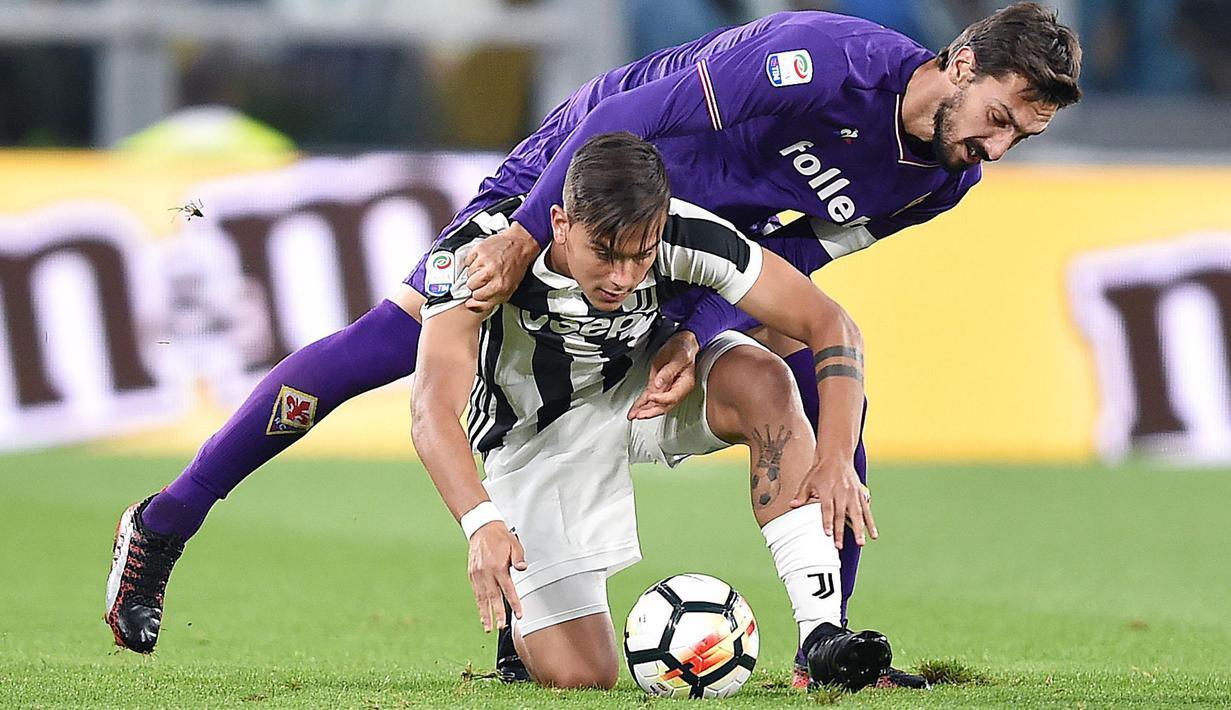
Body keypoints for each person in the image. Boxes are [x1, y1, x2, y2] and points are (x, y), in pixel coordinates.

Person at [105, 3, 1082, 687]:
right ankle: (168, 519)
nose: (994, 150)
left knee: (797, 356)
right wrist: (527, 231)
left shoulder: (939, 181)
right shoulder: (817, 62)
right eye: (997, 118)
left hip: (685, 248)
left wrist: (696, 328)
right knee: (385, 347)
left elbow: (799, 258)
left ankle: (826, 640)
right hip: (581, 188)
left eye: (1018, 139)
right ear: (958, 63)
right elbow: (622, 119)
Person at [413, 131, 885, 690]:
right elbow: (430, 410)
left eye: (641, 255)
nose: (623, 276)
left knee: (766, 379)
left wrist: (835, 456)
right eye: (605, 254)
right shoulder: (479, 254)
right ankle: (523, 629)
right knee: (584, 676)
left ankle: (820, 634)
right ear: (560, 223)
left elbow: (832, 325)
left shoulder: (688, 234)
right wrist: (481, 521)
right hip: (535, 437)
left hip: (650, 391)